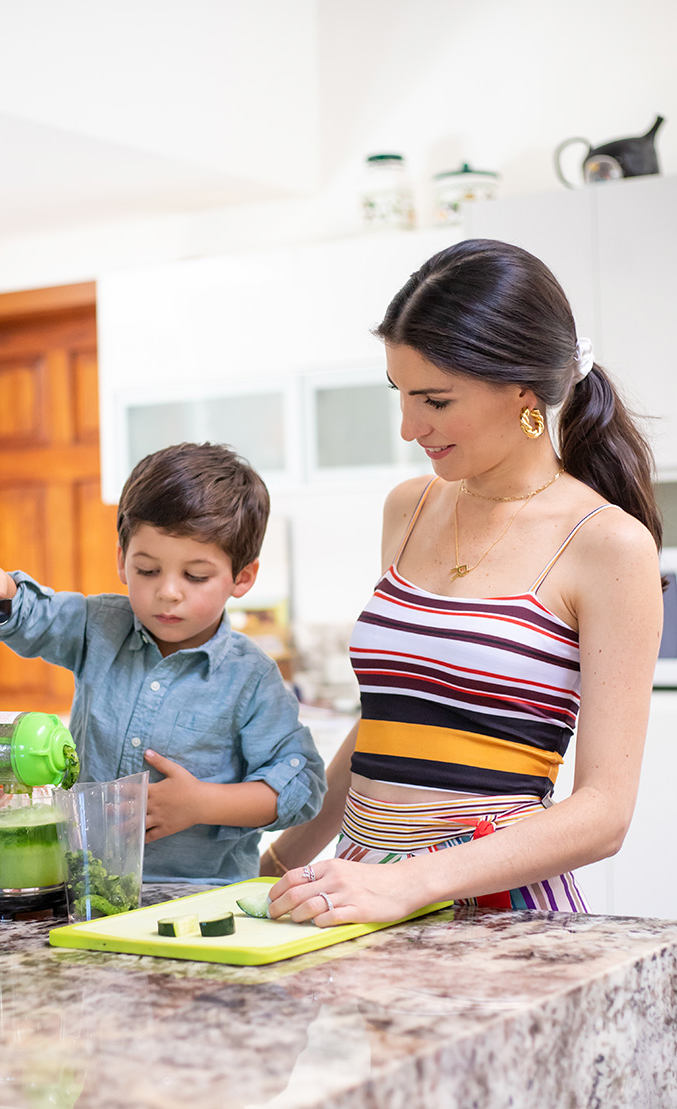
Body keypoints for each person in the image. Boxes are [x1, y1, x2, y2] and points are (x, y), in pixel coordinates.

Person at [262, 238, 664, 926]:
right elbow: (390, 719)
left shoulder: (606, 545)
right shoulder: (409, 507)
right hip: (357, 895)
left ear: (522, 390)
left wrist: (408, 883)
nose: (408, 426)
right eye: (400, 394)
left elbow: (603, 812)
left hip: (495, 912)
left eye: (435, 400)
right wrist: (272, 864)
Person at [0, 442, 326, 884]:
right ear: (121, 559)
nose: (168, 592)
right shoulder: (97, 626)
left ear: (243, 577)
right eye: (148, 570)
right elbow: (24, 613)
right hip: (84, 887)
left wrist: (202, 804)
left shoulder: (252, 677)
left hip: (200, 896)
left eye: (196, 576)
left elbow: (301, 786)